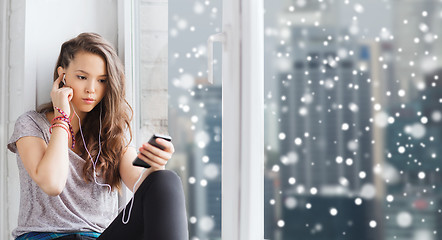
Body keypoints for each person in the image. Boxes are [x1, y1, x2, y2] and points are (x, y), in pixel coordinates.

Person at [7, 32, 188, 240]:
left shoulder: (111, 132)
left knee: (165, 180)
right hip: (45, 237)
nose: (91, 89)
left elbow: (143, 185)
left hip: (99, 237)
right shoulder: (31, 124)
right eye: (82, 77)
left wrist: (156, 164)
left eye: (102, 80)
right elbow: (52, 184)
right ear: (62, 75)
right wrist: (62, 117)